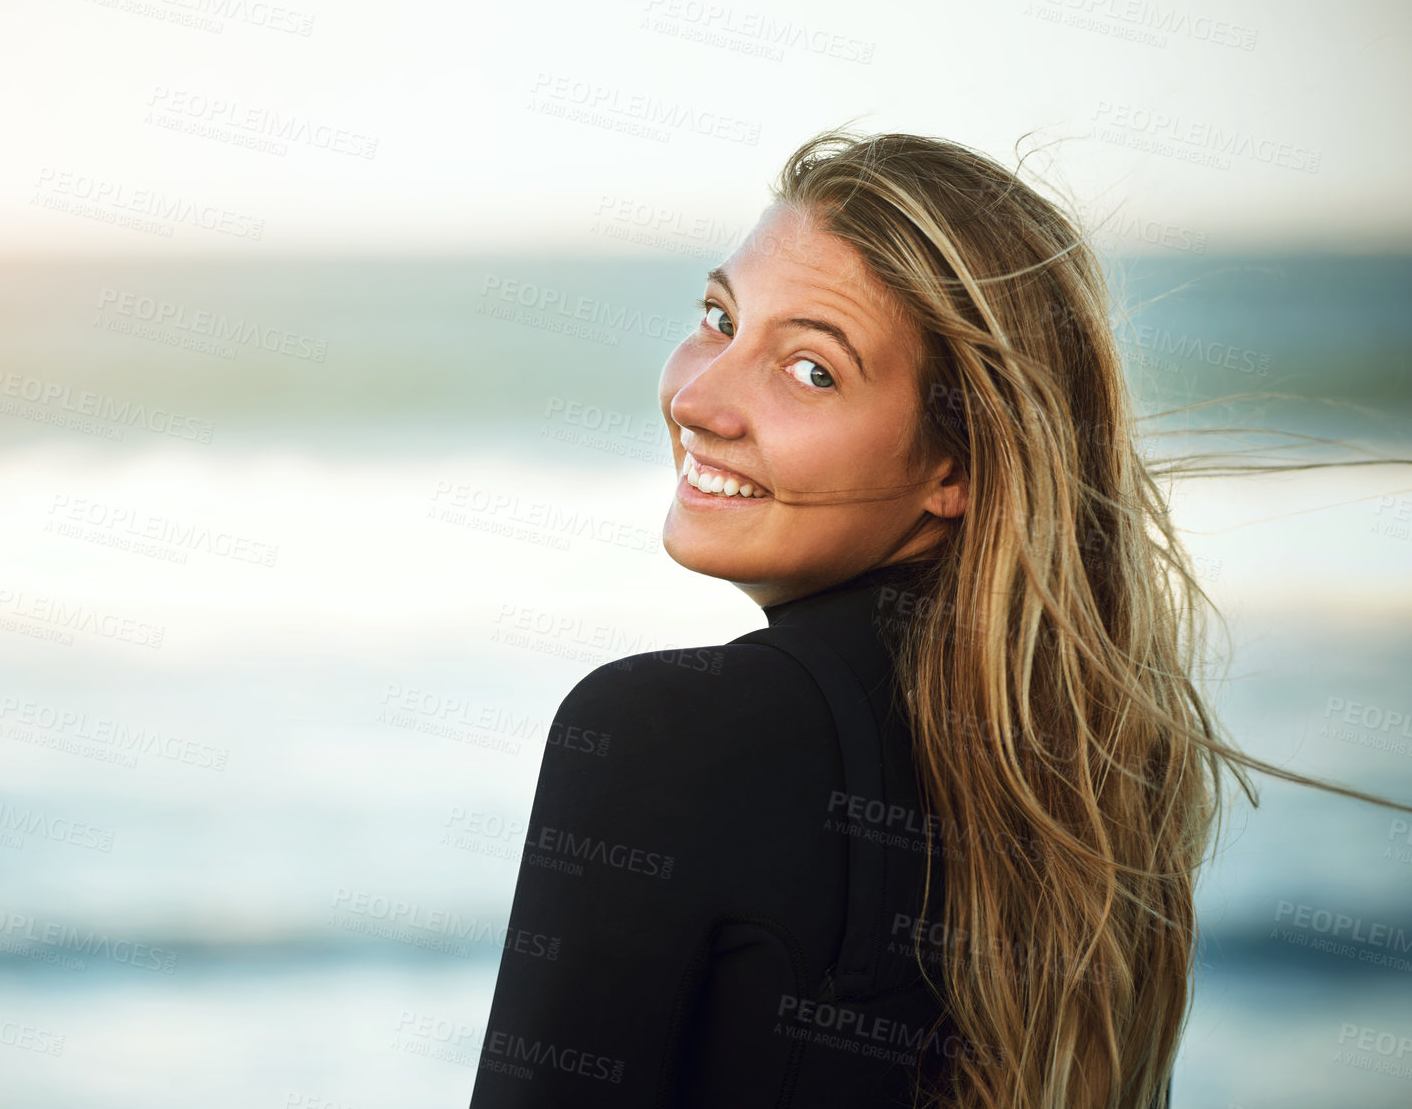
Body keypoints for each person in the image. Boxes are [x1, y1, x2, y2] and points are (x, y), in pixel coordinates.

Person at [469, 129, 1407, 1109]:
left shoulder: (663, 732)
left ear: (952, 467)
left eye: (810, 369)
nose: (698, 398)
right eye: (717, 317)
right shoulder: (1075, 772)